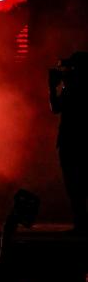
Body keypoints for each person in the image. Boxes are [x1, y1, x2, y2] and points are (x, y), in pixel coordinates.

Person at [49, 52, 88, 234]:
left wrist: (52, 88)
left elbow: (56, 107)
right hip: (73, 141)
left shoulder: (74, 88)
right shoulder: (73, 86)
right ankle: (81, 224)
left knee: (75, 184)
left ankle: (81, 224)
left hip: (72, 142)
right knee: (77, 185)